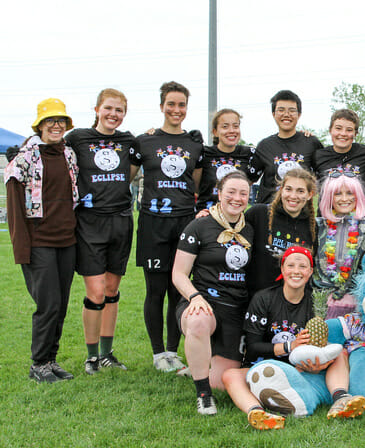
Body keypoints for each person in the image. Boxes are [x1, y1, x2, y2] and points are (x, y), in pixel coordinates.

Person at [223, 246, 365, 428]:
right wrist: (290, 346)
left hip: (299, 369)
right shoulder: (263, 299)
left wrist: (315, 364)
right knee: (230, 376)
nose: (296, 271)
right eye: (291, 265)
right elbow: (252, 347)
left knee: (340, 353)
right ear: (282, 269)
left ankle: (340, 398)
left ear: (310, 272)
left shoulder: (317, 304)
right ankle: (257, 412)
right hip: (262, 365)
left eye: (302, 266)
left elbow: (319, 347)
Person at [130, 81, 204, 375]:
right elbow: (130, 176)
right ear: (161, 106)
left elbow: (195, 184)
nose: (176, 110)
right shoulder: (144, 141)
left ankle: (174, 352)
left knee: (180, 290)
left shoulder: (194, 144)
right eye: (171, 104)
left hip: (184, 223)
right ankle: (158, 353)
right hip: (153, 223)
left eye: (181, 105)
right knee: (155, 290)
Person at [5, 98, 79, 382]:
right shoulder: (22, 160)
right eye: (50, 121)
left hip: (66, 241)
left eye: (61, 121)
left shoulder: (69, 155)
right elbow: (14, 209)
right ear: (40, 125)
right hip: (39, 243)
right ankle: (38, 363)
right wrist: (22, 248)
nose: (56, 126)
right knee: (47, 305)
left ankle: (51, 359)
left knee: (59, 305)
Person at [64, 89, 136, 373]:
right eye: (108, 108)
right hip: (90, 222)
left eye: (119, 110)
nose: (113, 114)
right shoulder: (78, 138)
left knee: (111, 289)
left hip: (120, 220)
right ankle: (91, 355)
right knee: (95, 291)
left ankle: (108, 352)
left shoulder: (128, 141)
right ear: (96, 109)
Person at [172, 170, 254, 414]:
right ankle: (203, 395)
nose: (236, 198)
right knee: (197, 321)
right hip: (204, 300)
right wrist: (194, 297)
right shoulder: (199, 225)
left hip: (235, 309)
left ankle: (200, 363)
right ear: (219, 194)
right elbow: (178, 274)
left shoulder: (251, 228)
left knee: (221, 383)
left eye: (243, 193)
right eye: (230, 192)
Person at [313, 175, 365, 318]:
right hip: (321, 301)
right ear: (329, 198)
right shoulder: (317, 227)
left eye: (350, 193)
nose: (344, 199)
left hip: (357, 302)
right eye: (338, 194)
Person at [245, 168, 317, 294]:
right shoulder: (258, 214)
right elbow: (231, 228)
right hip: (255, 299)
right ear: (281, 189)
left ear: (309, 194)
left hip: (291, 302)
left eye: (300, 191)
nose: (293, 196)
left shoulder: (313, 227)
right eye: (288, 189)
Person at [252, 90, 323, 204]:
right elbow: (250, 179)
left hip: (300, 212)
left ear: (299, 114)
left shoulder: (311, 143)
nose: (286, 114)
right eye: (281, 110)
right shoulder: (264, 146)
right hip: (269, 213)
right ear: (273, 114)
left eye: (292, 110)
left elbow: (323, 176)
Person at [313, 109, 365, 216]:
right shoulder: (318, 155)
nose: (343, 134)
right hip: (326, 223)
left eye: (349, 130)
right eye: (338, 128)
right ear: (330, 130)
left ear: (355, 133)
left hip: (358, 222)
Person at [197, 108, 258, 211]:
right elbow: (195, 185)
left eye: (235, 126)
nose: (231, 130)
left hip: (234, 217)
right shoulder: (204, 153)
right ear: (215, 132)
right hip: (206, 215)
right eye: (225, 126)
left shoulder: (250, 154)